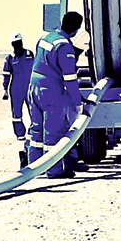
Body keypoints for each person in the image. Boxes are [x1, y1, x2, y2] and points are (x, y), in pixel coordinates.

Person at [26, 11, 84, 179]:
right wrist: (78, 102)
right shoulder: (65, 46)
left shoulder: (46, 38)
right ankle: (55, 170)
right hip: (50, 91)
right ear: (76, 30)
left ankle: (34, 167)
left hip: (34, 87)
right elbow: (70, 79)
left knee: (36, 130)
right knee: (53, 132)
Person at [2, 32, 34, 168]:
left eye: (19, 42)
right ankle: (21, 137)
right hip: (16, 89)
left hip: (29, 87)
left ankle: (34, 134)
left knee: (34, 111)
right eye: (15, 43)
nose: (18, 45)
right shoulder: (10, 58)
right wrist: (4, 90)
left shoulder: (29, 55)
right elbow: (6, 75)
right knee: (16, 115)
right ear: (12, 45)